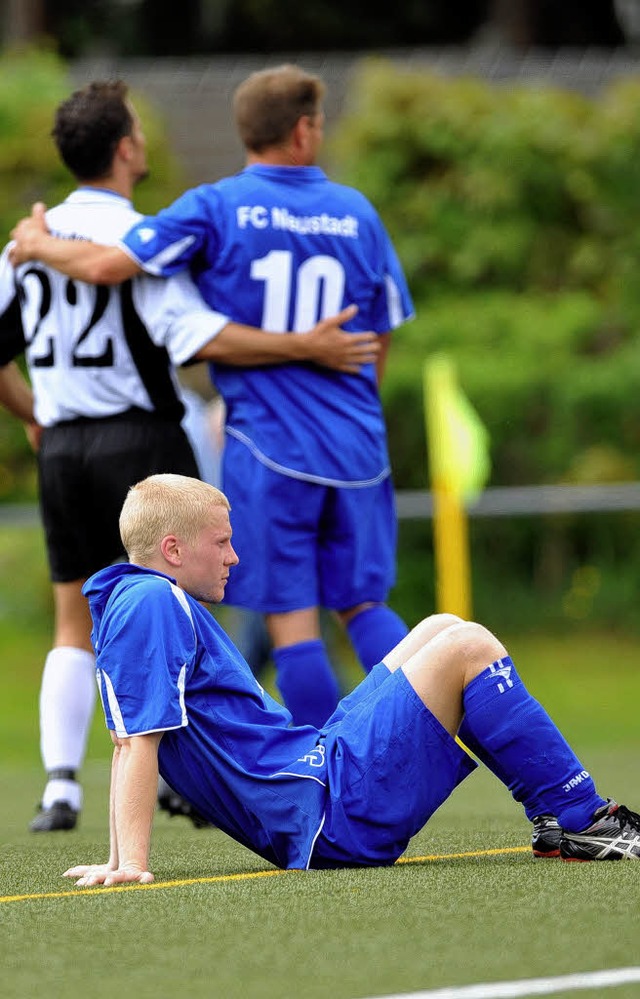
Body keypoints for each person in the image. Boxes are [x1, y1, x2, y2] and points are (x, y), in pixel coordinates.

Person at [0, 79, 379, 833]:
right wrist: (305, 348)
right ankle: (195, 773)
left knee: (73, 621)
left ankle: (62, 785)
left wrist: (39, 413)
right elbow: (195, 336)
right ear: (127, 147)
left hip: (64, 447)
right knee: (187, 610)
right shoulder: (146, 237)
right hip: (142, 441)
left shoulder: (20, 247)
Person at [62, 473, 640, 887]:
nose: (234, 557)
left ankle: (551, 818)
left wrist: (119, 861)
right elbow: (137, 741)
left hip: (317, 775)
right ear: (172, 549)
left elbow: (126, 738)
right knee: (471, 646)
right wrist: (130, 864)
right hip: (328, 814)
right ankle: (582, 818)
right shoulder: (152, 602)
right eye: (222, 543)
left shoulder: (129, 597)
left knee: (442, 626)